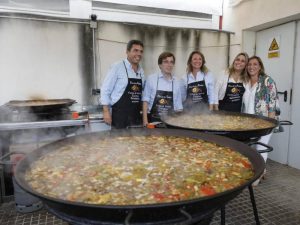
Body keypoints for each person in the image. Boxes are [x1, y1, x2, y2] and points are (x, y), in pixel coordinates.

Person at [242, 56, 279, 184]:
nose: (251, 67)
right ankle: (261, 171)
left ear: (260, 67)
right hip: (248, 123)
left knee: (260, 147)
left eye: (255, 64)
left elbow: (272, 104)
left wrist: (269, 125)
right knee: (251, 148)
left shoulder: (268, 81)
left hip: (264, 122)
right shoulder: (246, 82)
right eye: (249, 64)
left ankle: (256, 179)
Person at [100, 40, 145, 129]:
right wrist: (106, 111)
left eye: (141, 51)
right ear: (127, 52)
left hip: (135, 114)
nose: (139, 54)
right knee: (118, 142)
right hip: (119, 115)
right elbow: (105, 89)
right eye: (135, 50)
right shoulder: (117, 67)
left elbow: (142, 92)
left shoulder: (141, 71)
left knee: (137, 142)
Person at [142, 52, 183, 126]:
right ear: (160, 65)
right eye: (166, 62)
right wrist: (145, 122)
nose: (169, 65)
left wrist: (178, 124)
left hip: (171, 122)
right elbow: (145, 101)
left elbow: (178, 107)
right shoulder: (151, 79)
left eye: (171, 62)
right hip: (152, 120)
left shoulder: (177, 82)